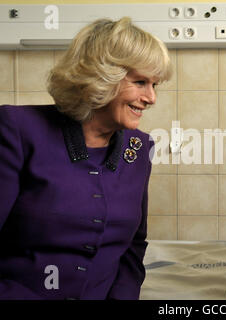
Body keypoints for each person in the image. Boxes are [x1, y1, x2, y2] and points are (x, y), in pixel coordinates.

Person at [0, 17, 172, 299]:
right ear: (101, 76)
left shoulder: (139, 148)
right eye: (140, 82)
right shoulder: (17, 130)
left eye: (155, 85)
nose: (151, 97)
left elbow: (132, 248)